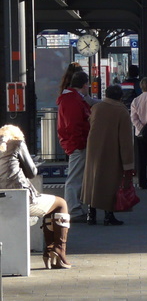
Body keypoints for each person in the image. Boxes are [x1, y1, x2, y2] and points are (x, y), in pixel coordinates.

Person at [0, 124, 72, 269]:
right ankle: (57, 251)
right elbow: (32, 172)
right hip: (21, 199)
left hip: (2, 202)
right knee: (60, 204)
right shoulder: (17, 143)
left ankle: (52, 251)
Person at [81, 85, 135, 226]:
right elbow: (126, 140)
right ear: (120, 96)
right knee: (110, 183)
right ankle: (108, 215)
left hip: (93, 151)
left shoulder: (96, 108)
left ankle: (90, 215)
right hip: (112, 153)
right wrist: (128, 163)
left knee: (93, 182)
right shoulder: (121, 111)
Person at [57, 69, 91, 222]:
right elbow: (74, 125)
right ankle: (73, 210)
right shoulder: (73, 100)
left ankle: (75, 207)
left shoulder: (70, 98)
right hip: (76, 143)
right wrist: (79, 143)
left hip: (75, 142)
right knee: (75, 177)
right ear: (85, 84)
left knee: (76, 176)